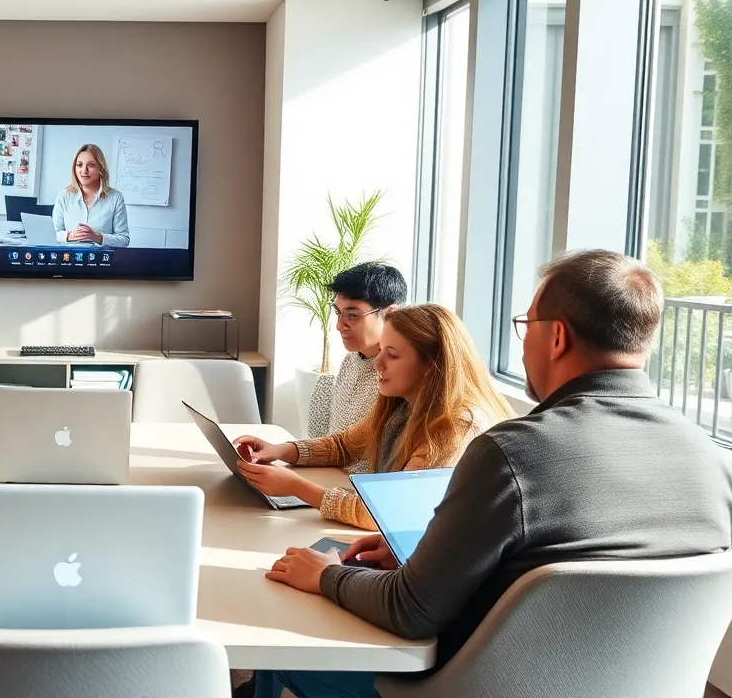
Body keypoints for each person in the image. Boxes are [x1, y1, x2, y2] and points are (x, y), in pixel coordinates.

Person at [256, 250, 732, 698]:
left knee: (278, 642)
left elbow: (411, 610)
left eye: (526, 325)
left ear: (557, 337)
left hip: (472, 685)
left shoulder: (511, 453)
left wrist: (327, 575)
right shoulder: (710, 459)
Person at [234, 304, 510, 530]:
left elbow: (384, 513)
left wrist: (295, 487)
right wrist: (281, 450)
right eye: (381, 351)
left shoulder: (455, 427)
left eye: (392, 355)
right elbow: (345, 446)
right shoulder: (402, 403)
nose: (377, 364)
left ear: (432, 365)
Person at [306, 262, 408, 438]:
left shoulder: (400, 376)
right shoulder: (350, 360)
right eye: (338, 313)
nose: (339, 326)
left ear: (391, 313)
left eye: (352, 315)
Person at [50, 143, 130, 247]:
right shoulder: (64, 196)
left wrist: (97, 238)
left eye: (91, 165)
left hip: (101, 260)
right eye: (79, 165)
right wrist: (69, 236)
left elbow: (124, 239)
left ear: (101, 168)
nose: (84, 171)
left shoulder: (115, 198)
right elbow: (53, 234)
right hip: (68, 259)